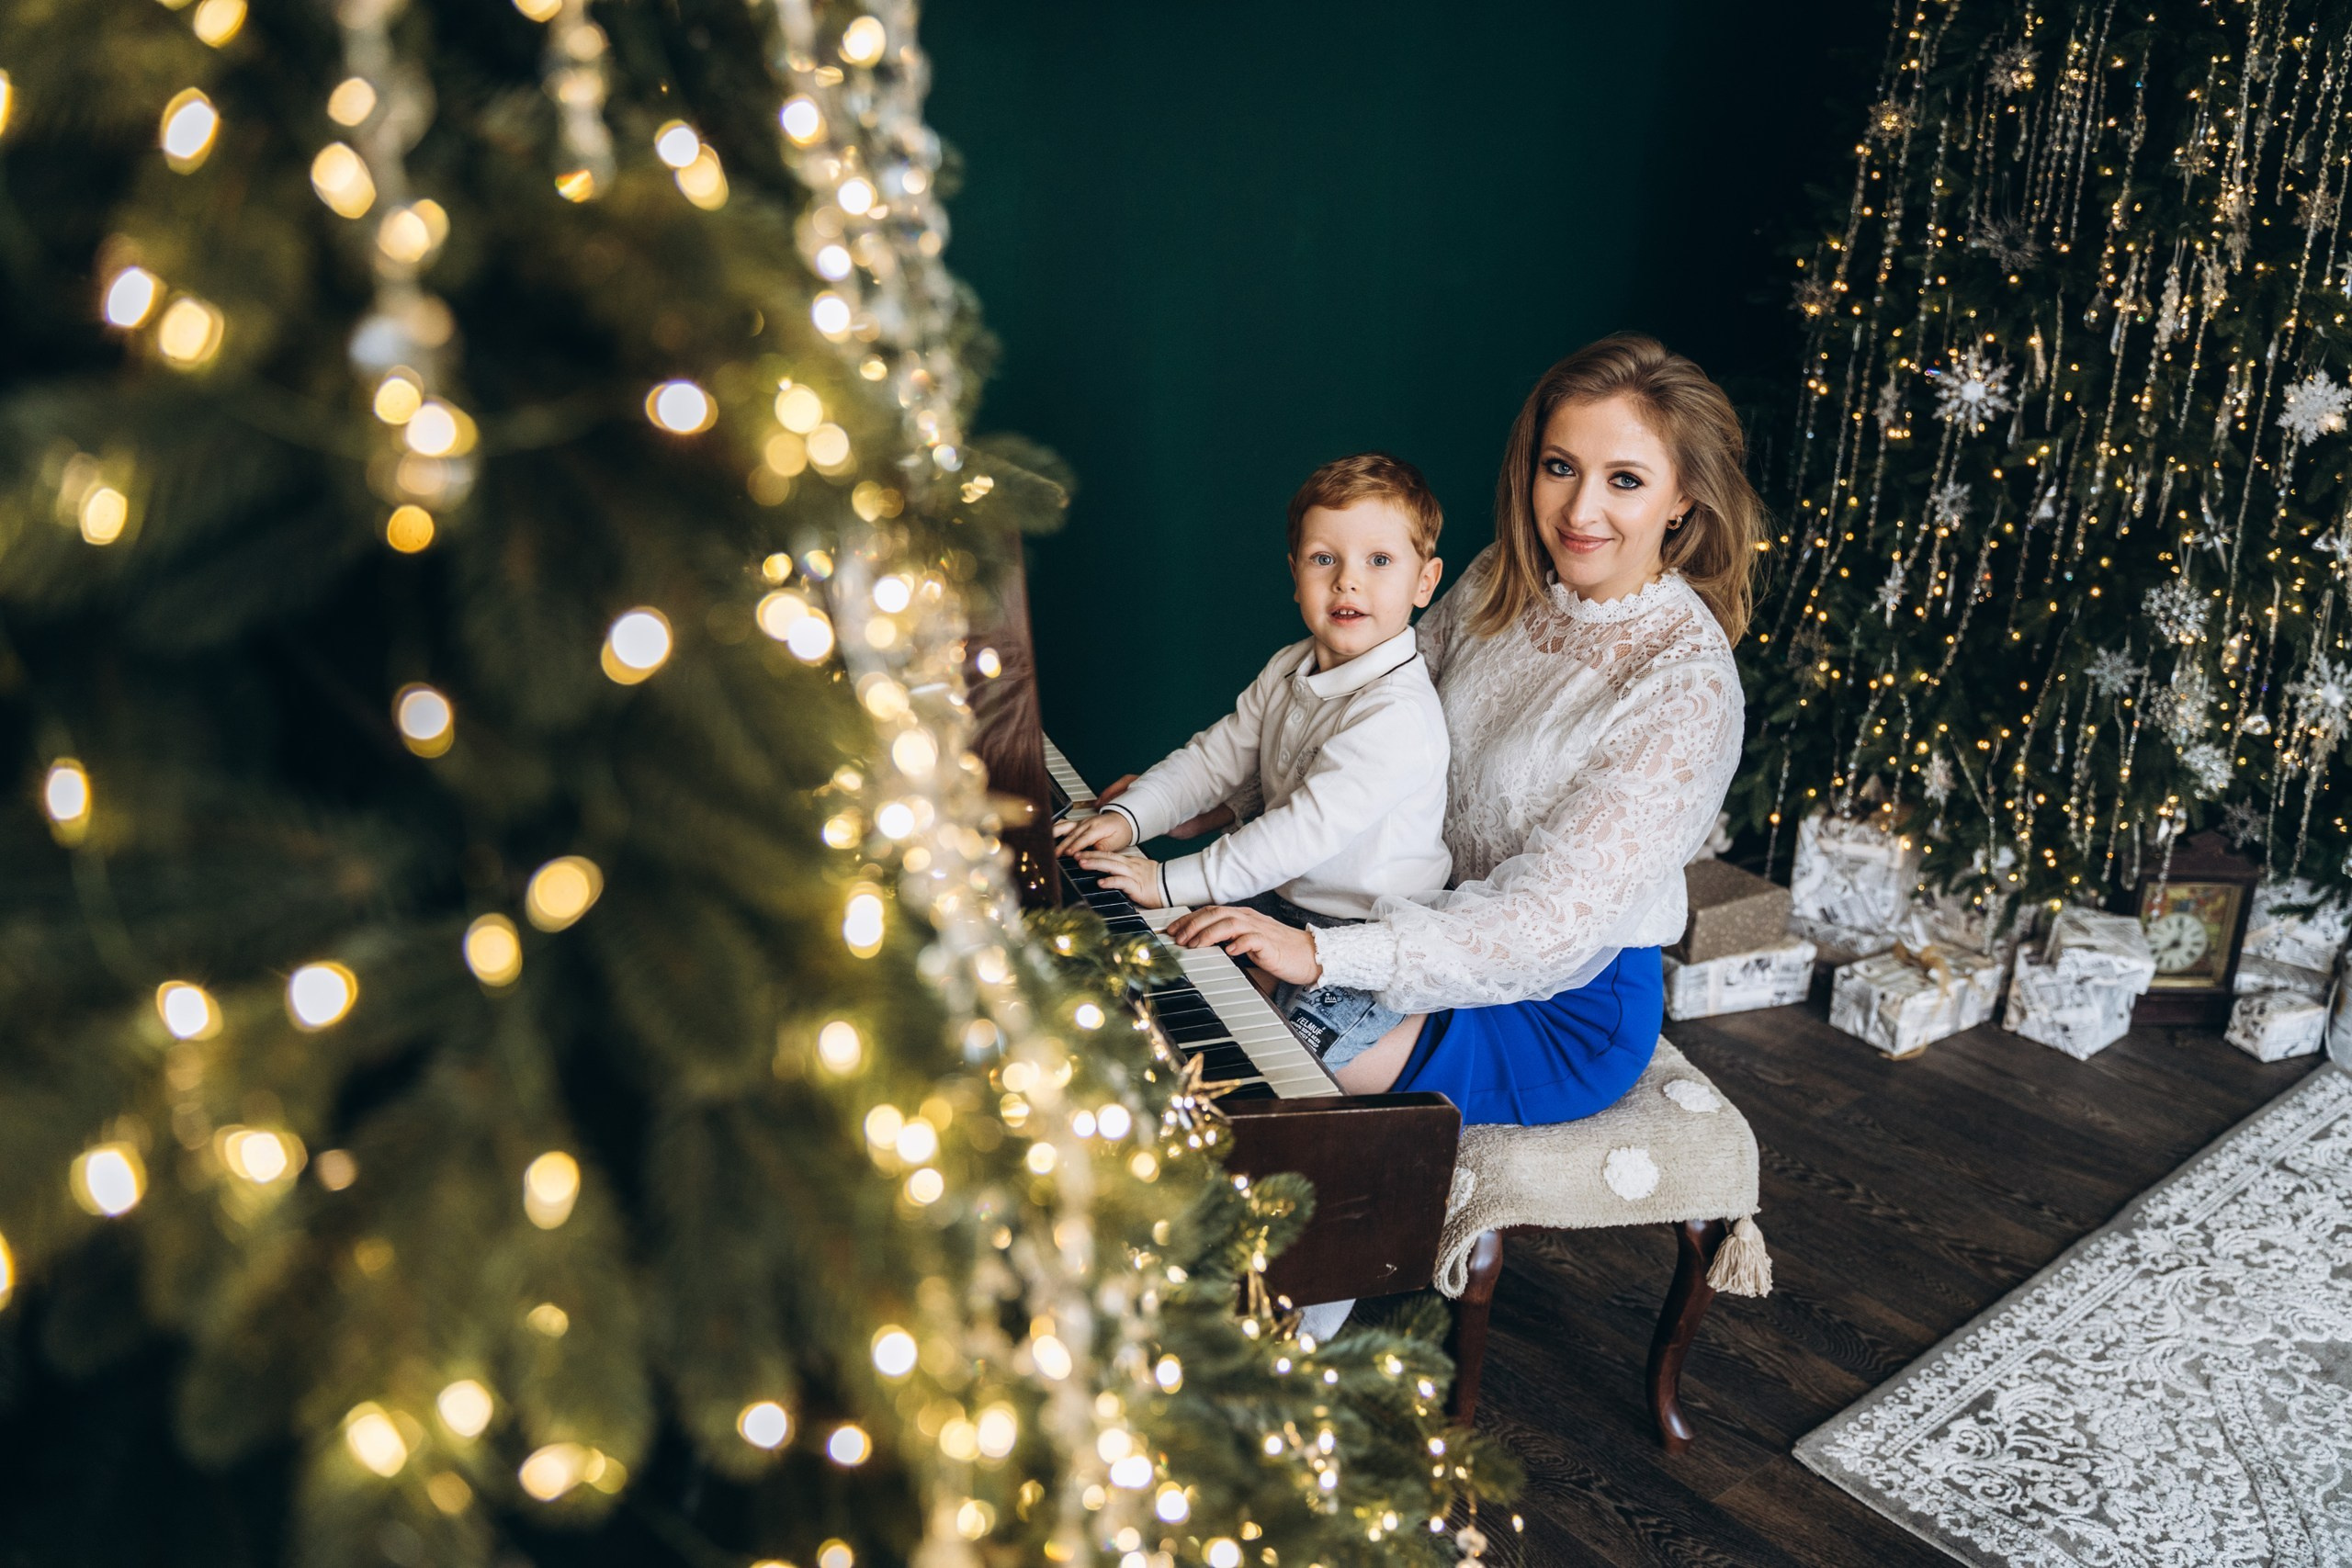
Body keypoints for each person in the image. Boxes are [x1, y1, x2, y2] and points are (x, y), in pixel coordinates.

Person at [1166, 333, 1761, 1128]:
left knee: (1240, 1052)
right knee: (1180, 978)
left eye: (1625, 480)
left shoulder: (1686, 686)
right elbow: (1369, 708)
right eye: (1560, 468)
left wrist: (1321, 956)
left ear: (1682, 496)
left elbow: (1550, 927)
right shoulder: (1497, 577)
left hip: (1557, 1000)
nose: (1580, 512)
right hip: (1395, 909)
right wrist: (1218, 799)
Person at [1054, 453, 1453, 1068]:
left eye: (1380, 561)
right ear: (1295, 574)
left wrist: (1162, 881)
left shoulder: (1396, 716)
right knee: (1164, 980)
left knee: (1271, 1061)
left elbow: (1292, 836)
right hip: (1282, 899)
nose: (1348, 581)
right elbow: (1214, 760)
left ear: (1424, 582)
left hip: (1362, 937)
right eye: (1326, 559)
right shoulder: (1291, 665)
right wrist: (1129, 818)